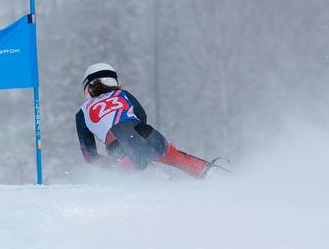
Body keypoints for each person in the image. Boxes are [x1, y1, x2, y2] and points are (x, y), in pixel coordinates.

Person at [75, 62, 223, 179]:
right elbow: (142, 116)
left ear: (87, 87)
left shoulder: (82, 112)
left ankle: (163, 184)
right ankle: (217, 177)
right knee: (178, 158)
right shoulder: (122, 94)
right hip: (147, 134)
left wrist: (112, 165)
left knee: (145, 179)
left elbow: (90, 156)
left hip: (120, 148)